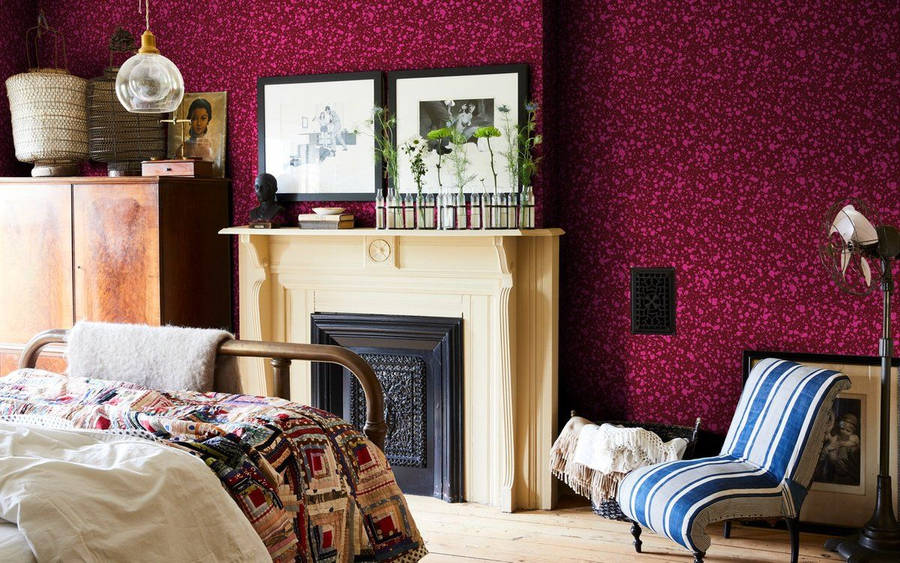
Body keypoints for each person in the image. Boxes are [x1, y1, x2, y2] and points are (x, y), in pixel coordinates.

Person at [814, 412, 861, 485]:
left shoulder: (853, 438)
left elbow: (855, 443)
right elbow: (830, 440)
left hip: (846, 475)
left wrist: (841, 444)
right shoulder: (837, 436)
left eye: (848, 430)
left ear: (853, 431)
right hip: (833, 471)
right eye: (842, 429)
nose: (844, 432)